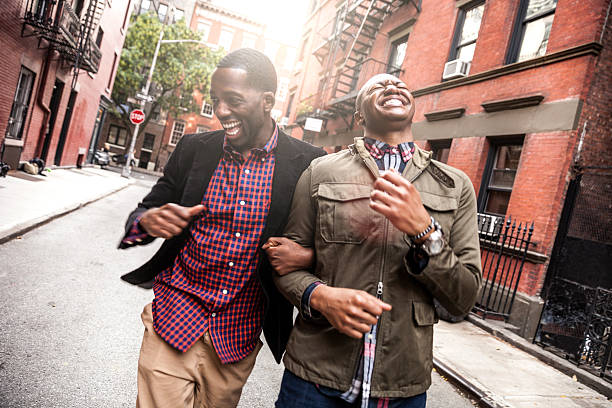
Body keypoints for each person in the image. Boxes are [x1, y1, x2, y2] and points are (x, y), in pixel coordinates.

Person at [118, 48, 325, 408]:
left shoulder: (308, 163)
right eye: (216, 100)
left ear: (266, 101)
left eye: (233, 100)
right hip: (174, 317)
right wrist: (146, 222)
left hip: (237, 336)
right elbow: (142, 216)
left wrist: (309, 255)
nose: (221, 111)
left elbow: (327, 241)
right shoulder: (194, 149)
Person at [267, 73, 482, 408]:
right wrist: (320, 296)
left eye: (401, 86)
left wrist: (425, 230)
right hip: (314, 380)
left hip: (401, 388)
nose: (393, 87)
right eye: (378, 86)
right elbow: (283, 264)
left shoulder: (455, 185)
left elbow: (464, 298)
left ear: (414, 108)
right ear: (359, 116)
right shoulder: (320, 172)